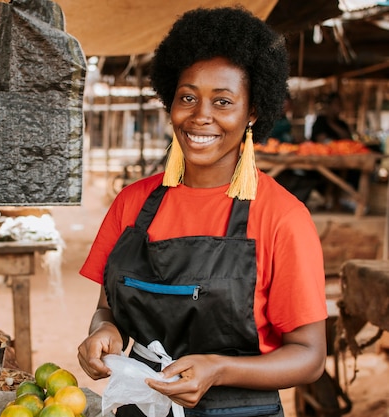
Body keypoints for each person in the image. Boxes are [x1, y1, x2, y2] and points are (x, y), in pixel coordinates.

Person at [77, 7, 327, 417]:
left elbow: (309, 356)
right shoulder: (132, 204)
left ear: (252, 113)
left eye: (223, 101)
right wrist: (102, 330)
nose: (200, 116)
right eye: (187, 97)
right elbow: (107, 307)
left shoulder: (282, 217)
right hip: (139, 405)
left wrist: (220, 368)